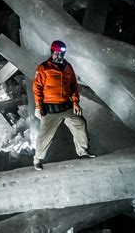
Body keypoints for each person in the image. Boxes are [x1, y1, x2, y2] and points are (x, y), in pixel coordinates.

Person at [32, 40, 96, 171]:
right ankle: (37, 159)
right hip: (50, 108)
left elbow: (73, 86)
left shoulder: (68, 67)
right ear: (52, 52)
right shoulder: (43, 67)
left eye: (61, 53)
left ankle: (83, 152)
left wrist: (76, 103)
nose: (59, 56)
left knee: (80, 123)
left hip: (66, 106)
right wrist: (38, 106)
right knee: (45, 135)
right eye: (56, 53)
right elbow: (37, 88)